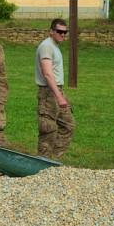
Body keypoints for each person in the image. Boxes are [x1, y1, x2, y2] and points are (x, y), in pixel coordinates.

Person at [35, 18, 75, 162]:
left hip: (56, 90)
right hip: (48, 93)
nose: (62, 35)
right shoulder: (47, 46)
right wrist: (59, 96)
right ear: (51, 31)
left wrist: (60, 94)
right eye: (59, 31)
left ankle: (53, 161)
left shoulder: (54, 46)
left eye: (65, 32)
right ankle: (41, 163)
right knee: (48, 130)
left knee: (68, 125)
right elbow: (47, 73)